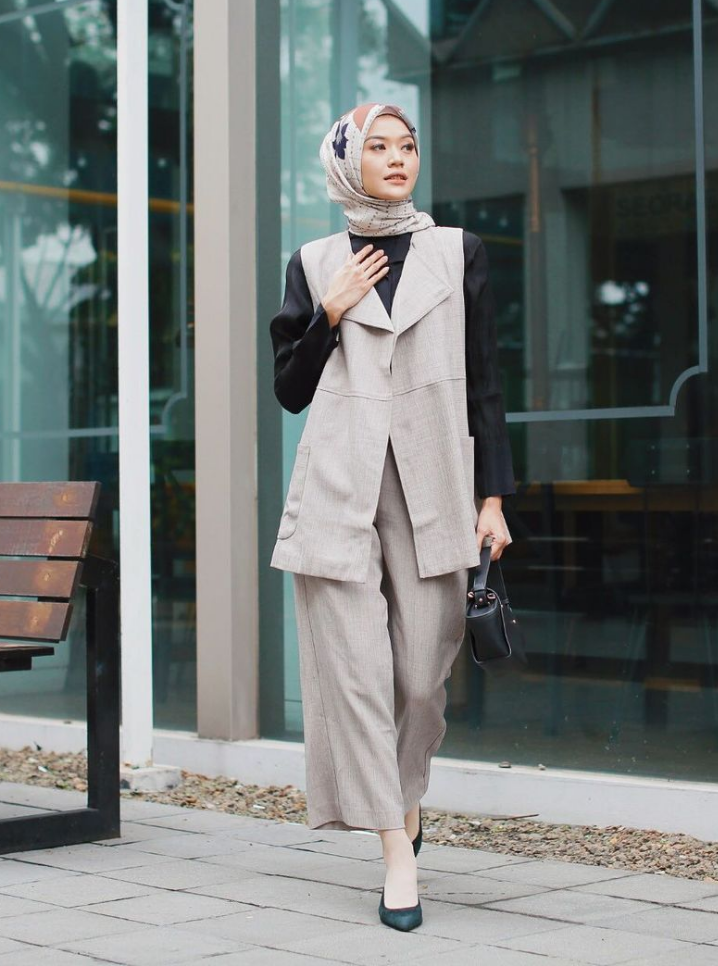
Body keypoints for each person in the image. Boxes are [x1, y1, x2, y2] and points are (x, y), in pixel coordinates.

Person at [269, 101, 515, 932]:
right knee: (357, 677)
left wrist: (492, 498)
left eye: (406, 144)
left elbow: (486, 380)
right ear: (347, 162)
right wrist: (330, 312)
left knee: (419, 681)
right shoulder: (314, 263)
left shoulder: (458, 251)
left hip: (433, 483)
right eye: (377, 146)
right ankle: (394, 852)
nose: (397, 157)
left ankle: (405, 802)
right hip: (340, 486)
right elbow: (289, 391)